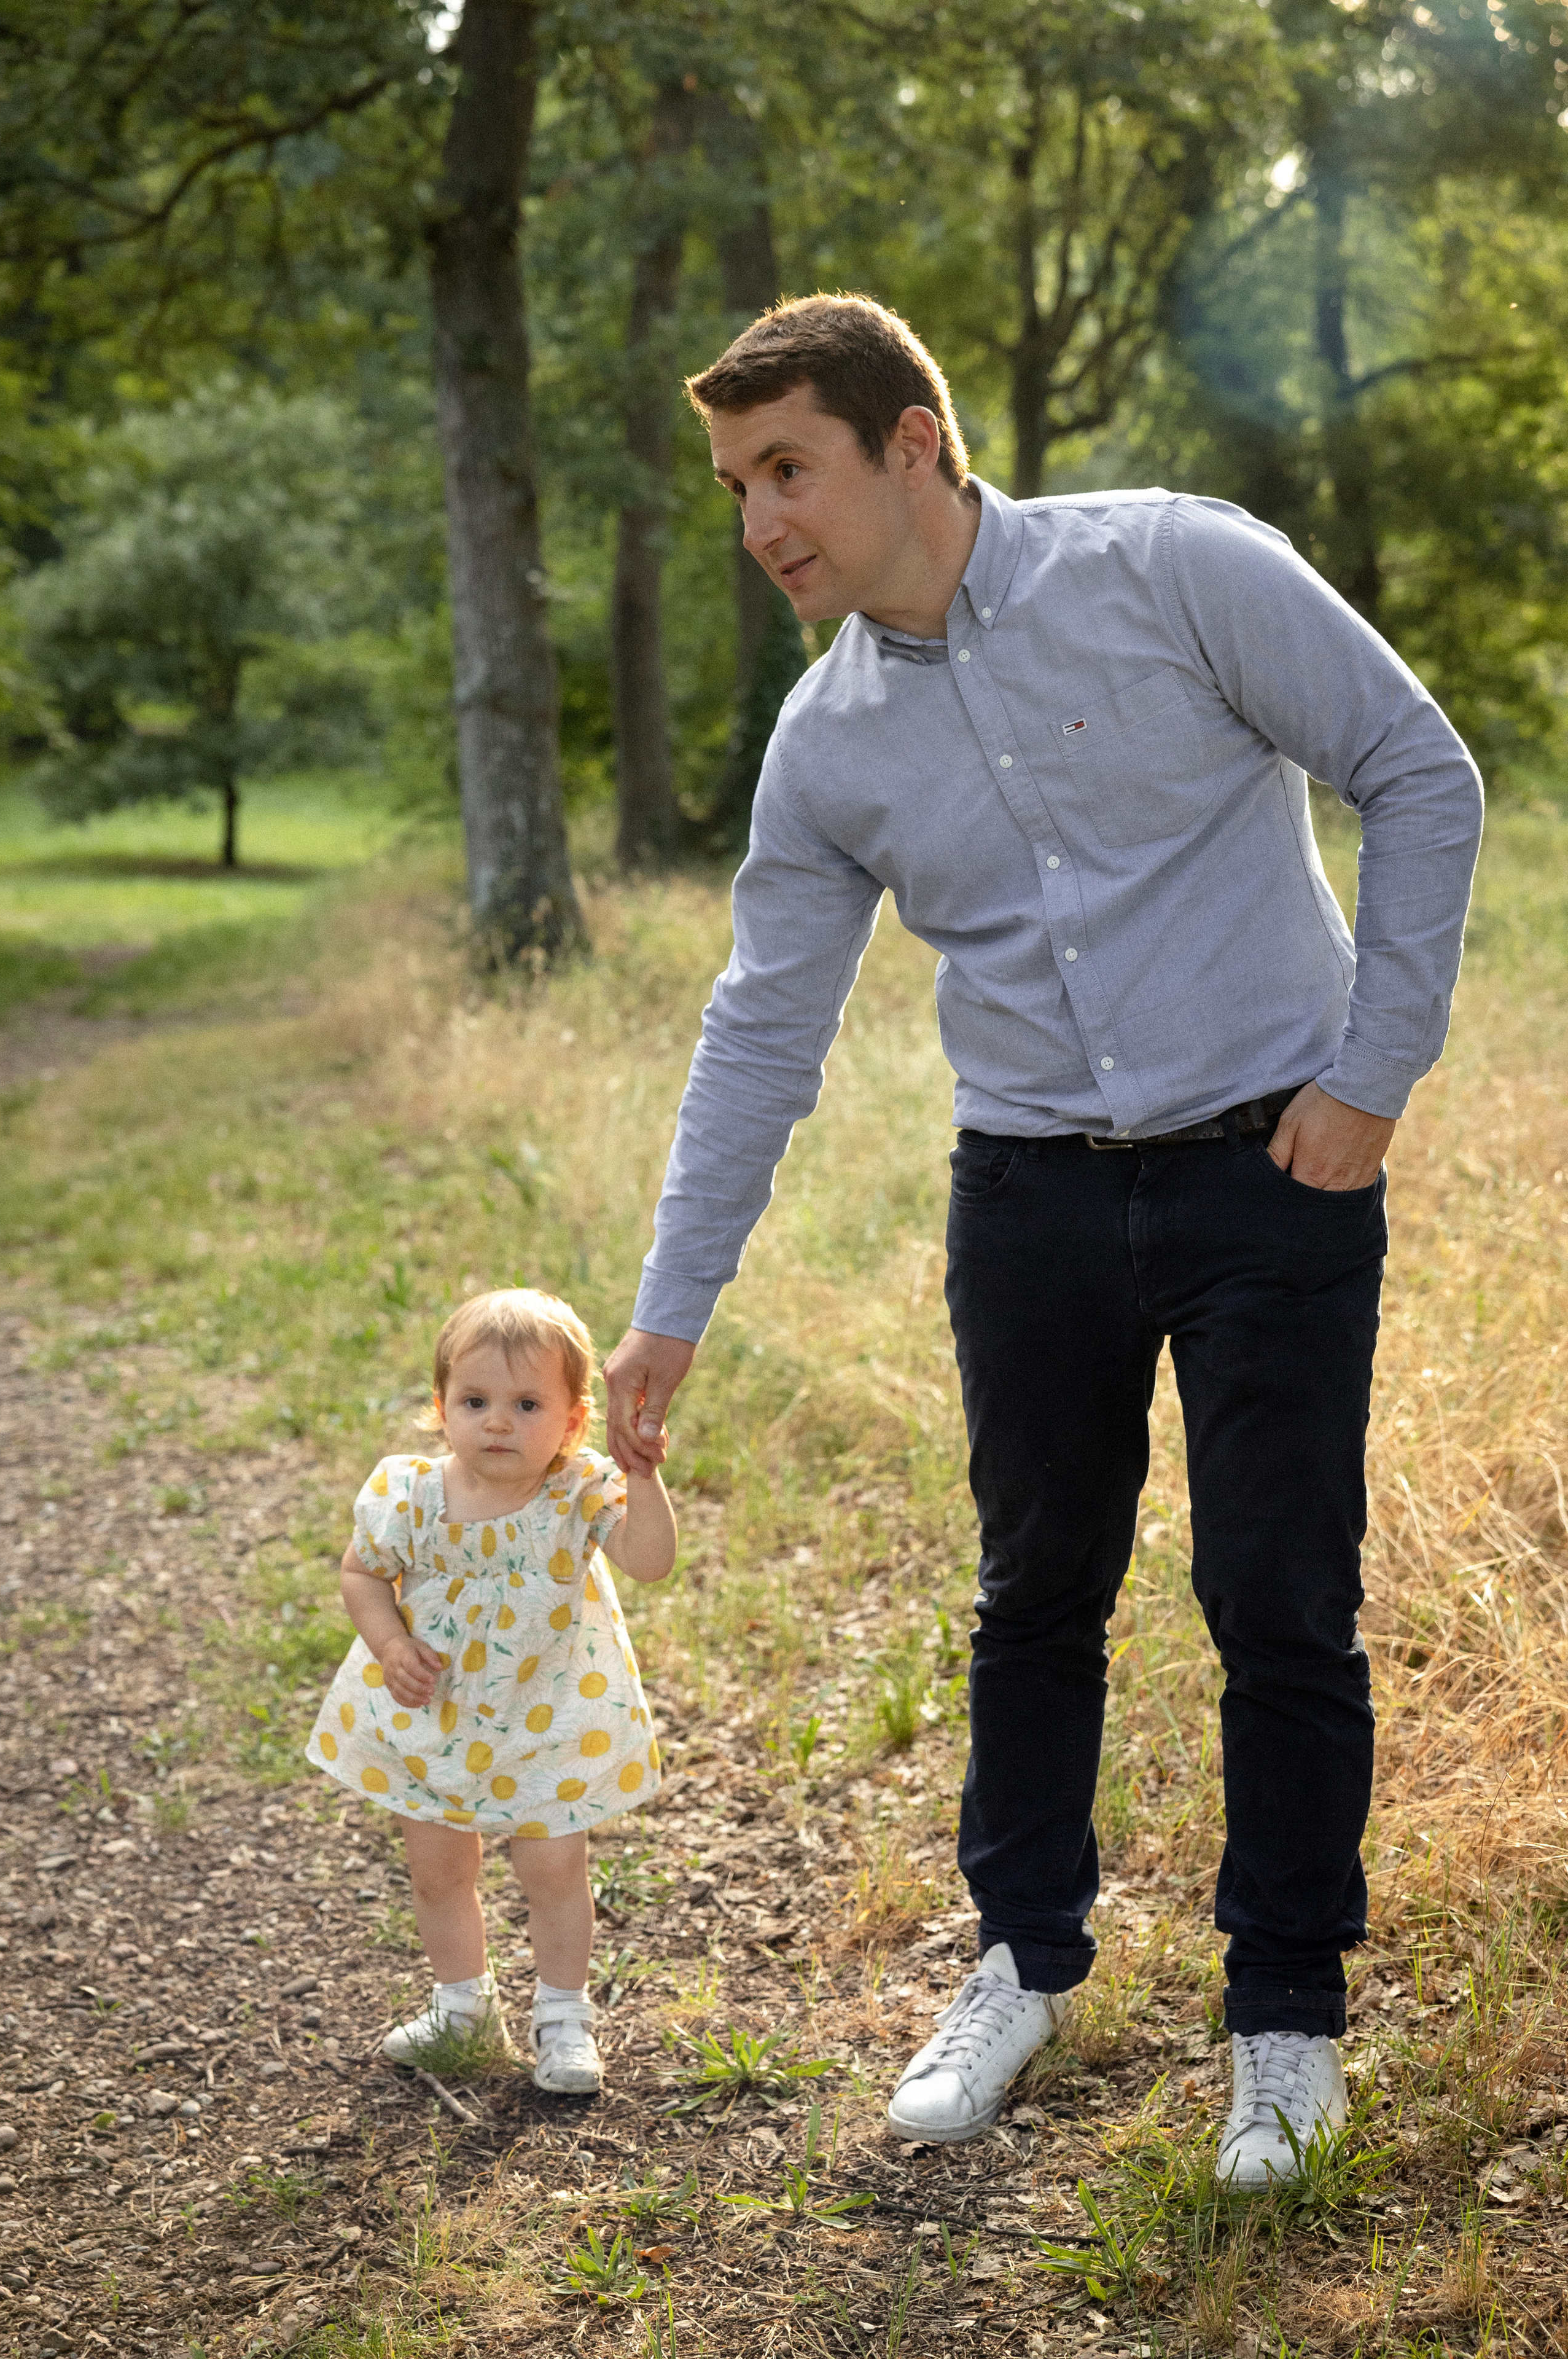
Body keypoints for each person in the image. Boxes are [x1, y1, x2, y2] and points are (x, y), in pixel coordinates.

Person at [603, 295, 1483, 2185]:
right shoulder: (827, 741)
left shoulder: (1173, 567)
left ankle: (1286, 2022)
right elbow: (762, 1023)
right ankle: (1021, 1963)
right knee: (1034, 1595)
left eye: (790, 470)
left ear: (913, 442)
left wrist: (1375, 1077)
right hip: (1032, 1198)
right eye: (737, 485)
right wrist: (674, 1308)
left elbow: (1421, 768)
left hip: (1279, 1170)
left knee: (1279, 1601)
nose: (761, 521)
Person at [307, 1288, 676, 2094]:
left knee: (554, 1870)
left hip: (550, 1718)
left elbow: (649, 1561)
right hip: (436, 1716)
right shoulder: (409, 1494)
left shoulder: (579, 1490)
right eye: (475, 1401)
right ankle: (462, 2005)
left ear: (573, 1422)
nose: (498, 1422)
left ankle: (564, 2017)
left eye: (526, 1403)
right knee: (439, 1869)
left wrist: (643, 1476)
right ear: (442, 1409)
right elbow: (361, 1572)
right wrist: (390, 1640)